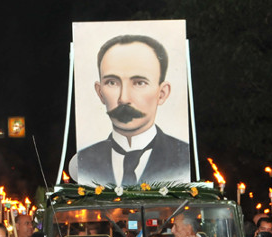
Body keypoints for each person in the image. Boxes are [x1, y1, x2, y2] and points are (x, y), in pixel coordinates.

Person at [72, 34, 189, 186]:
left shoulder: (181, 159)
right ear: (100, 92)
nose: (124, 98)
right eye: (112, 82)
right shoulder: (86, 162)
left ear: (162, 93)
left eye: (139, 83)